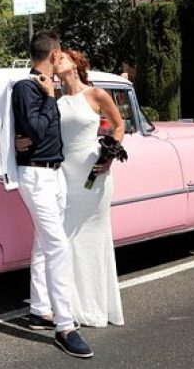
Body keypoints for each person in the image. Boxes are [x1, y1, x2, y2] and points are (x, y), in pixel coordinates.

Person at [12, 32, 93, 359]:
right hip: (35, 174)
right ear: (55, 53)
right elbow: (33, 129)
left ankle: (39, 310)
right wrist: (48, 97)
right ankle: (64, 326)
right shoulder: (26, 87)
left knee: (44, 245)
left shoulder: (48, 88)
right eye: (62, 55)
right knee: (58, 245)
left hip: (54, 174)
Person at [44, 49, 126, 327]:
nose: (58, 63)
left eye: (63, 58)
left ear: (76, 63)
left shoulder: (96, 95)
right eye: (55, 61)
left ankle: (96, 306)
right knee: (66, 241)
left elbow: (118, 125)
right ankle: (70, 306)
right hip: (66, 178)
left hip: (95, 174)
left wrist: (111, 157)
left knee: (94, 238)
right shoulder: (54, 100)